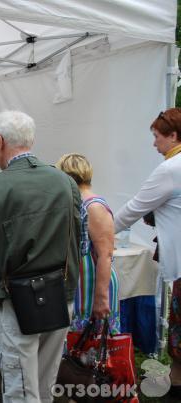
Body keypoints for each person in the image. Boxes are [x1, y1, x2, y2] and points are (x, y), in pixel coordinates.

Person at [0, 110, 81, 402]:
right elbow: (84, 244)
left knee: (20, 387)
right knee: (44, 382)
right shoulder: (67, 182)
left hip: (18, 299)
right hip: (61, 294)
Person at [113, 108, 181, 393]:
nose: (154, 143)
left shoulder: (170, 168)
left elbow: (132, 210)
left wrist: (98, 232)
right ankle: (176, 380)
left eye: (157, 136)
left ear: (173, 135)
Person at [56, 153, 120, 333]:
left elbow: (105, 255)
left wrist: (101, 297)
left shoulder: (93, 206)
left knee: (94, 345)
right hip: (81, 284)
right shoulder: (75, 202)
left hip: (93, 285)